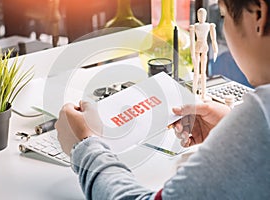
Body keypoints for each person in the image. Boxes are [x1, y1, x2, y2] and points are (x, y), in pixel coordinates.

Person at [55, 0, 270, 199]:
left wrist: (86, 146)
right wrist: (231, 128)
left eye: (223, 16)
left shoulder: (262, 112)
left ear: (259, 15)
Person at [190, 8, 218, 100]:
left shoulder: (209, 26)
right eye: (199, 15)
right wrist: (192, 55)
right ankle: (194, 93)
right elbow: (191, 42)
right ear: (197, 16)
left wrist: (215, 50)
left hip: (205, 47)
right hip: (197, 48)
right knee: (196, 72)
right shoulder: (194, 26)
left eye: (203, 15)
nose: (201, 17)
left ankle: (203, 94)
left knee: (203, 73)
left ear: (205, 16)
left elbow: (214, 40)